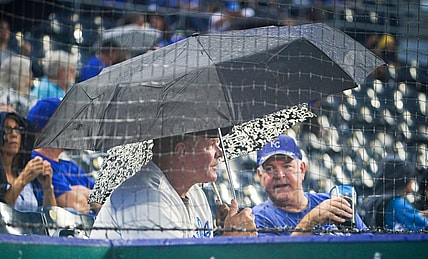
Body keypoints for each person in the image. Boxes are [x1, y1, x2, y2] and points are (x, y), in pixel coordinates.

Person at [90, 130, 257, 239]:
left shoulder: (195, 193)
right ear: (182, 152)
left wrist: (221, 236)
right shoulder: (145, 201)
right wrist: (231, 243)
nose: (219, 153)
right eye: (211, 145)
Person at [252, 134, 367, 236]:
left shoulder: (331, 202)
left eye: (287, 166)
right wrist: (310, 222)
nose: (280, 175)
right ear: (260, 176)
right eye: (269, 169)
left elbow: (370, 247)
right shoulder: (258, 219)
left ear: (302, 169)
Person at [27, 98, 98, 214]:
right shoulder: (36, 162)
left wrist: (84, 193)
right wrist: (89, 197)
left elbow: (105, 200)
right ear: (50, 127)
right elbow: (76, 206)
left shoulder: (71, 166)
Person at [0, 111, 56, 212]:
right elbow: (2, 211)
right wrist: (23, 179)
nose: (14, 134)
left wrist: (48, 187)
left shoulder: (28, 177)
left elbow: (51, 216)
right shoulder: (26, 175)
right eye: (8, 129)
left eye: (17, 129)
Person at [362, 154, 428, 232]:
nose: (412, 181)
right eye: (411, 177)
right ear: (402, 179)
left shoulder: (377, 200)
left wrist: (419, 214)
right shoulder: (397, 203)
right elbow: (423, 224)